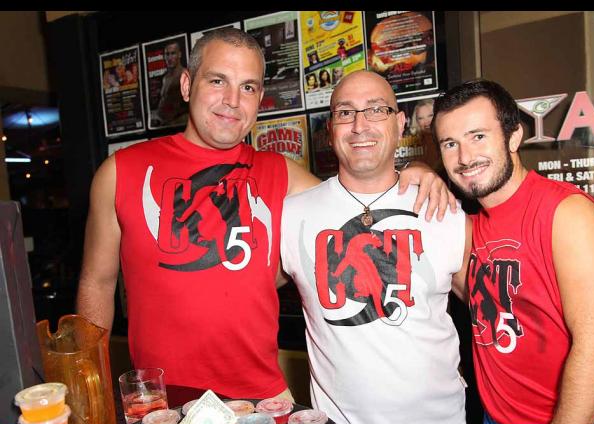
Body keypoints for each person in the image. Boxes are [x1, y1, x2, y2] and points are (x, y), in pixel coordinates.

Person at [77, 29, 455, 403]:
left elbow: (356, 198)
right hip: (162, 406)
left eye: (248, 87)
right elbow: (97, 283)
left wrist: (415, 170)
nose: (232, 101)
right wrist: (89, 391)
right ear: (187, 85)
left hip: (262, 404)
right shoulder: (120, 172)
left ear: (259, 99)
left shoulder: (281, 174)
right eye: (217, 81)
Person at [280, 70, 472, 424]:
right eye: (345, 112)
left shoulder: (444, 210)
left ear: (400, 123)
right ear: (330, 129)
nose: (360, 125)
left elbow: (491, 310)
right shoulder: (292, 217)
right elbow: (239, 300)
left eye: (376, 110)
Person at [432, 79, 594, 424]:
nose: (465, 157)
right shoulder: (469, 228)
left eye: (478, 136)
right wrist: (417, 170)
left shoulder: (567, 214)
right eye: (450, 143)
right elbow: (483, 299)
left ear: (514, 135)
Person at [155, 41, 189, 126]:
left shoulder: (185, 75)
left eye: (173, 53)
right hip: (164, 125)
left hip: (178, 124)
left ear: (179, 55)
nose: (169, 58)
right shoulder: (165, 78)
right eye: (167, 54)